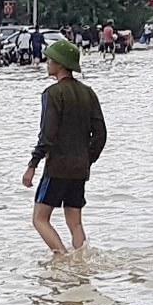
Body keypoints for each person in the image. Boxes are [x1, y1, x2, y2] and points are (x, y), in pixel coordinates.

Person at [22, 39, 106, 255]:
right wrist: (87, 158)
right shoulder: (88, 93)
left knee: (39, 218)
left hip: (57, 167)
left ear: (60, 64)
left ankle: (63, 258)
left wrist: (33, 164)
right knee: (75, 222)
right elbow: (101, 134)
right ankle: (81, 261)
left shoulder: (52, 94)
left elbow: (47, 134)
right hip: (80, 168)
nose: (47, 62)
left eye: (51, 59)